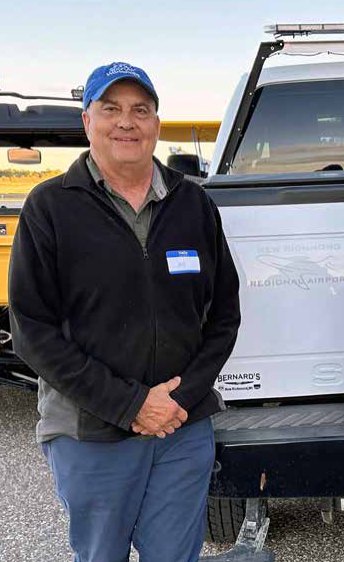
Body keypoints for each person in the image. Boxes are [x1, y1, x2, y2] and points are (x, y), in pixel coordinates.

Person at [9, 62, 241, 562]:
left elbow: (224, 317)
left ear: (156, 123)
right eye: (110, 109)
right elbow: (31, 330)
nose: (127, 122)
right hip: (91, 431)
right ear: (87, 122)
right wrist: (131, 405)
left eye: (141, 110)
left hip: (181, 429)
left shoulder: (193, 204)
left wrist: (180, 399)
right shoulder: (50, 207)